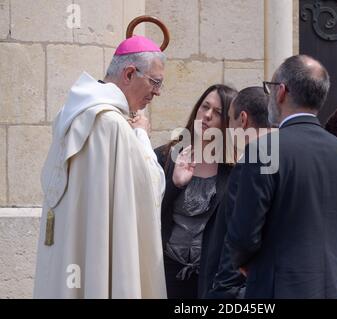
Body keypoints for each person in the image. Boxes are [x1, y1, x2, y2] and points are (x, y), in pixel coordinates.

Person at [34, 36, 167, 298]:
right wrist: (141, 134)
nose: (158, 92)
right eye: (155, 82)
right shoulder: (112, 125)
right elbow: (149, 189)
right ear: (129, 73)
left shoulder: (71, 114)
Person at [225, 55, 337, 298]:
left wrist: (252, 262)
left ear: (281, 92)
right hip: (330, 289)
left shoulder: (263, 150)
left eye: (270, 89)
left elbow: (243, 235)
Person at [155, 84, 237, 299]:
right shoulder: (166, 156)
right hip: (165, 269)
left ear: (228, 122)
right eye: (205, 107)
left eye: (218, 112)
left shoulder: (234, 169)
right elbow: (146, 214)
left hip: (211, 275)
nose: (207, 115)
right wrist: (175, 184)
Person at [204, 87, 270, 299]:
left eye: (228, 120)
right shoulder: (286, 158)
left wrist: (222, 292)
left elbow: (241, 236)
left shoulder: (250, 163)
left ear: (242, 119)